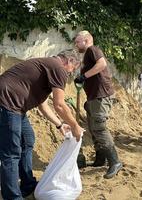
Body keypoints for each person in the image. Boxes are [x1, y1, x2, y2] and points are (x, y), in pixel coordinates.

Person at [0, 49, 83, 200]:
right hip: (7, 104)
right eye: (74, 68)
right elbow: (59, 104)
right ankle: (12, 196)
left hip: (15, 107)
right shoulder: (58, 68)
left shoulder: (47, 68)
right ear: (69, 61)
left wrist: (59, 124)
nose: (71, 73)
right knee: (11, 153)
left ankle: (28, 185)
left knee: (28, 139)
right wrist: (75, 125)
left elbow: (43, 105)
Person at [73, 30, 122, 179]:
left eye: (77, 42)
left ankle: (115, 161)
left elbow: (102, 64)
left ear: (86, 40)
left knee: (99, 128)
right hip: (94, 97)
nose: (76, 45)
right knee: (94, 128)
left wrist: (84, 76)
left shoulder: (92, 50)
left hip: (101, 96)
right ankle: (100, 159)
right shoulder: (88, 54)